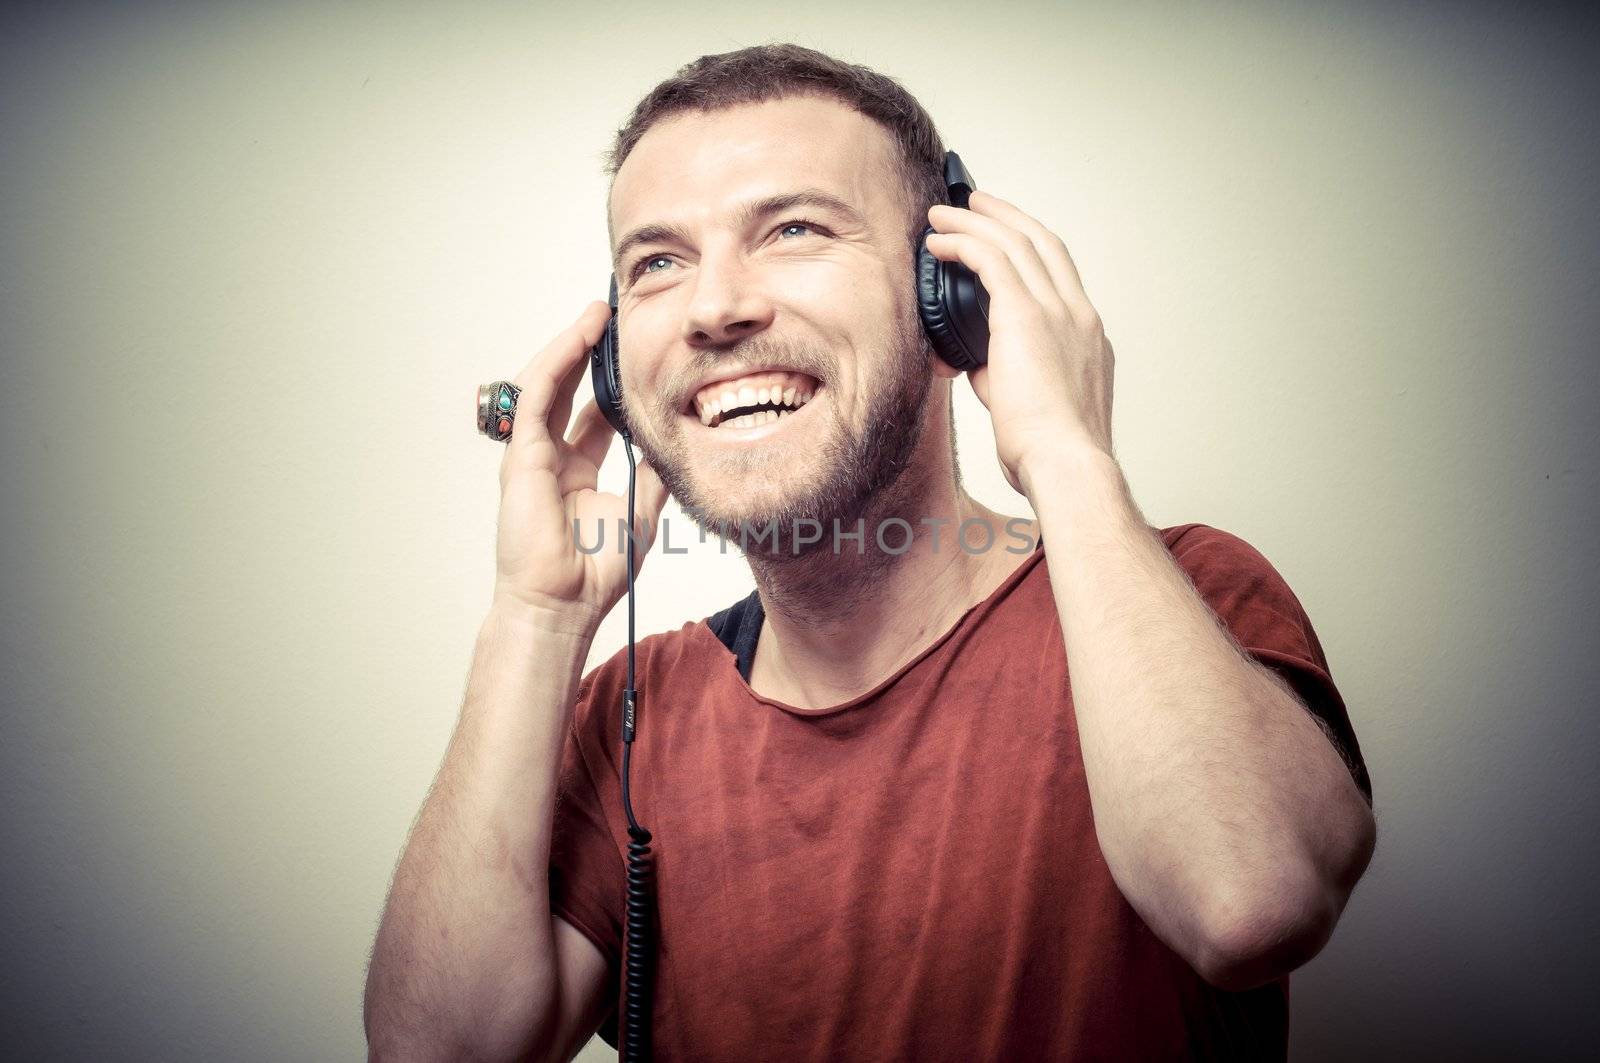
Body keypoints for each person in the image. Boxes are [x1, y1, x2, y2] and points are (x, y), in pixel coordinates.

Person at [364, 43, 1376, 1062]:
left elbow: (1253, 899)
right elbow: (435, 1054)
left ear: (952, 297)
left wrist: (1063, 449)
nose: (715, 310)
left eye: (794, 230)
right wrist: (536, 616)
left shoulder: (1185, 598)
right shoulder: (631, 712)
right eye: (658, 262)